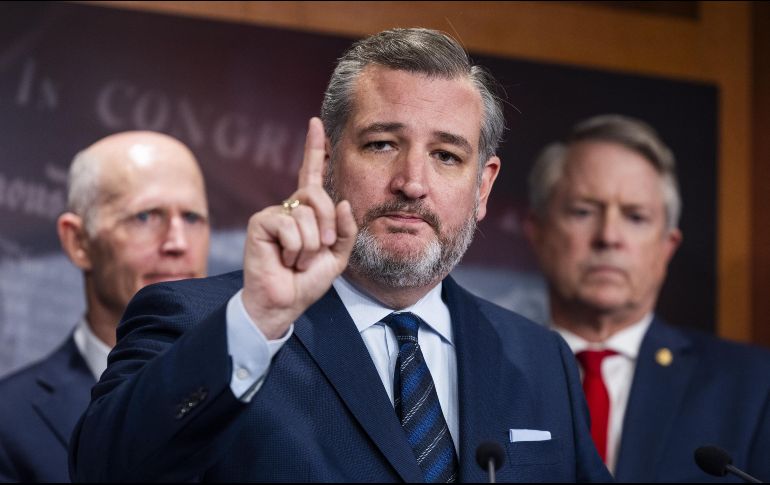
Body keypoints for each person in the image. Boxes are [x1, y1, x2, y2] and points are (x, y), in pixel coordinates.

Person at [70, 28, 611, 483]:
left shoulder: (541, 359)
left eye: (447, 156)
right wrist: (257, 320)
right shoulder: (200, 320)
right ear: (326, 160)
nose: (412, 184)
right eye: (381, 144)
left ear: (483, 187)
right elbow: (102, 467)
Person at [524, 114, 770, 482]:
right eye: (583, 211)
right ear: (537, 232)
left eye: (635, 217)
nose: (609, 236)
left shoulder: (753, 386)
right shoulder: (489, 368)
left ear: (667, 247)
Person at [0, 131, 210, 482]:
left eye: (192, 218)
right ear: (78, 241)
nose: (178, 243)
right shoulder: (9, 421)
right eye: (145, 217)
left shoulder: (268, 395)